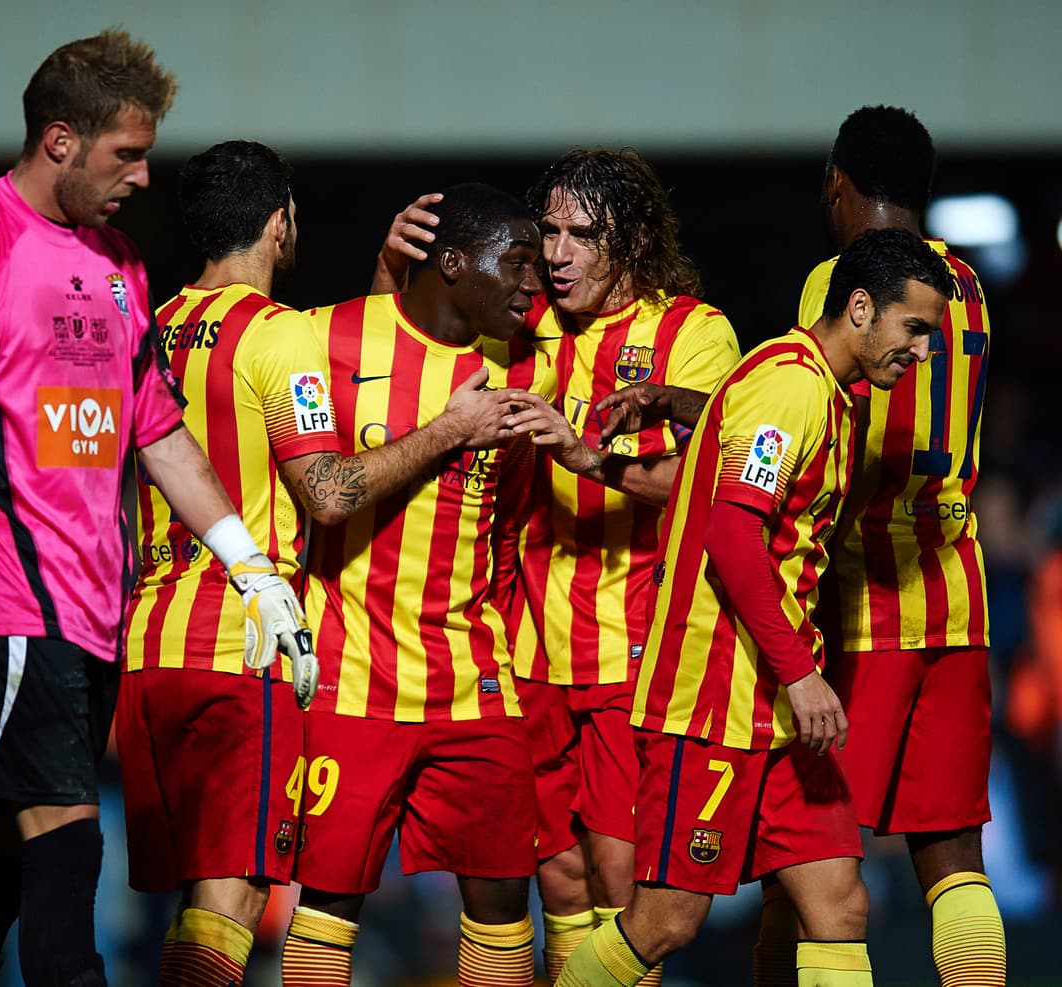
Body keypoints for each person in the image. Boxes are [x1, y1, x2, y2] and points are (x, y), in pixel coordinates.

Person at [0, 32, 311, 987]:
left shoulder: (122, 264)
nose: (142, 174)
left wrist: (251, 570)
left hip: (95, 622)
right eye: (125, 153)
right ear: (58, 141)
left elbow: (158, 433)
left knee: (10, 856)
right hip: (2, 613)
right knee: (68, 847)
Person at [117, 142, 523, 984]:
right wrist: (450, 428)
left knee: (199, 897)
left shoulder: (150, 325)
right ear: (278, 223)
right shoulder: (281, 331)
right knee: (233, 897)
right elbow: (331, 490)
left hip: (150, 644)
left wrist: (386, 279)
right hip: (242, 639)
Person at [551, 228, 955, 987]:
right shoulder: (792, 387)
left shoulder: (828, 392)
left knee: (839, 906)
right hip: (714, 704)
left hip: (781, 711)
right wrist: (803, 674)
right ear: (861, 309)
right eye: (916, 330)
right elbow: (731, 535)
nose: (924, 352)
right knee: (666, 920)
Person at [374, 149, 740, 981]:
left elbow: (715, 479)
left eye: (583, 234)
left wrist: (587, 457)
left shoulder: (692, 331)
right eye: (550, 232)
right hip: (525, 654)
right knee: (559, 874)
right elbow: (397, 358)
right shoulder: (521, 326)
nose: (560, 252)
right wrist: (394, 266)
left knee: (621, 874)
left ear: (636, 239)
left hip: (638, 655)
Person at [278, 183, 555, 987]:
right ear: (454, 263)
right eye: (517, 263)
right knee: (328, 905)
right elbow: (319, 494)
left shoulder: (521, 367)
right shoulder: (324, 338)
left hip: (473, 685)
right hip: (350, 682)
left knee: (507, 904)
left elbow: (505, 530)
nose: (532, 285)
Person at [781, 105, 1003, 987]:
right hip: (959, 594)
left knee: (806, 864)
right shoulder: (972, 288)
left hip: (863, 604)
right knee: (954, 860)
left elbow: (809, 417)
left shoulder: (841, 284)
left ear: (838, 186)